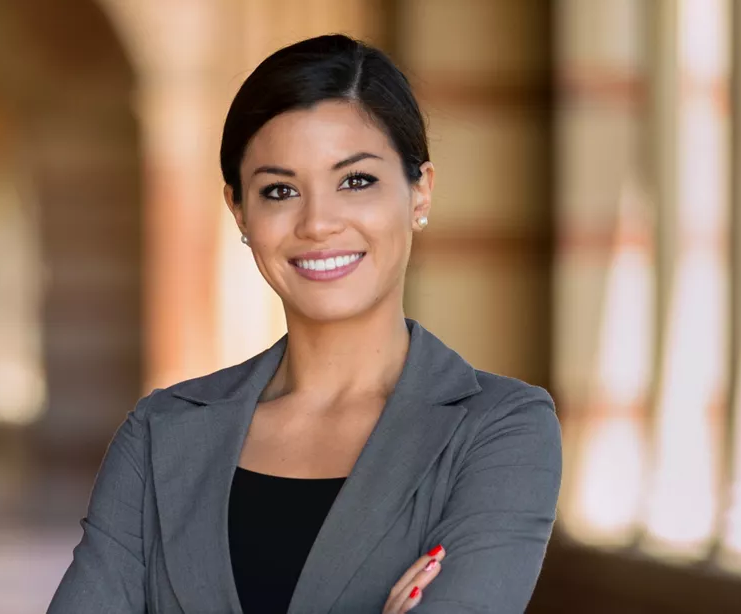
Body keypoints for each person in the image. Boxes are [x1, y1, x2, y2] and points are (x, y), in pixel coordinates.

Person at [48, 34, 561, 614]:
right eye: (280, 190)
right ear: (240, 211)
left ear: (420, 192)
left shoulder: (500, 430)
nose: (318, 223)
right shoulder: (159, 434)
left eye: (356, 180)